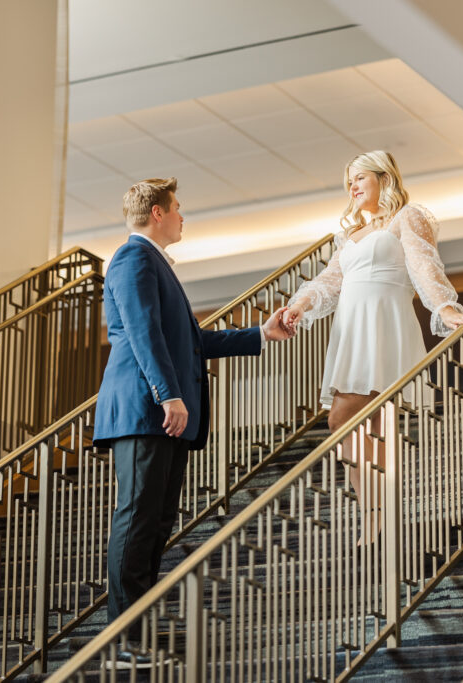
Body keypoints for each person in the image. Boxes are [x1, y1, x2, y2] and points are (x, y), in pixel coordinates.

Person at [93, 177, 293, 665]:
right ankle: (122, 642)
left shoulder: (155, 264)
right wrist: (168, 394)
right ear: (157, 213)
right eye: (178, 208)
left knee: (156, 523)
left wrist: (259, 334)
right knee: (138, 519)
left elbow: (191, 341)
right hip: (145, 410)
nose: (183, 216)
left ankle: (136, 638)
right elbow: (141, 331)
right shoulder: (133, 257)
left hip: (161, 412)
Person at [282, 151, 463, 539]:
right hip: (352, 329)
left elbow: (424, 264)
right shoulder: (350, 236)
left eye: (359, 178)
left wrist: (445, 307)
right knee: (358, 425)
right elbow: (329, 281)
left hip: (385, 324)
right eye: (348, 181)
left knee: (347, 419)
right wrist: (300, 305)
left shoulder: (408, 216)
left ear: (383, 178)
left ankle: (378, 513)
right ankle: (377, 513)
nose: (352, 187)